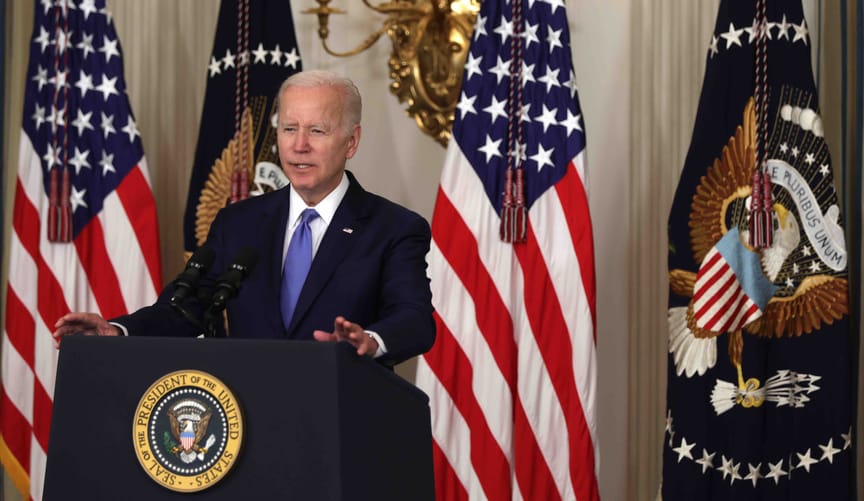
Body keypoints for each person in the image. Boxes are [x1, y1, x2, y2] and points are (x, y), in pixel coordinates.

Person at [53, 70, 436, 366]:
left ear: (351, 141)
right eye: (289, 129)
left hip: (339, 421)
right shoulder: (239, 223)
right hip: (248, 424)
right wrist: (117, 329)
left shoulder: (395, 229)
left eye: (317, 130)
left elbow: (415, 319)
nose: (299, 145)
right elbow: (185, 309)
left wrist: (370, 340)